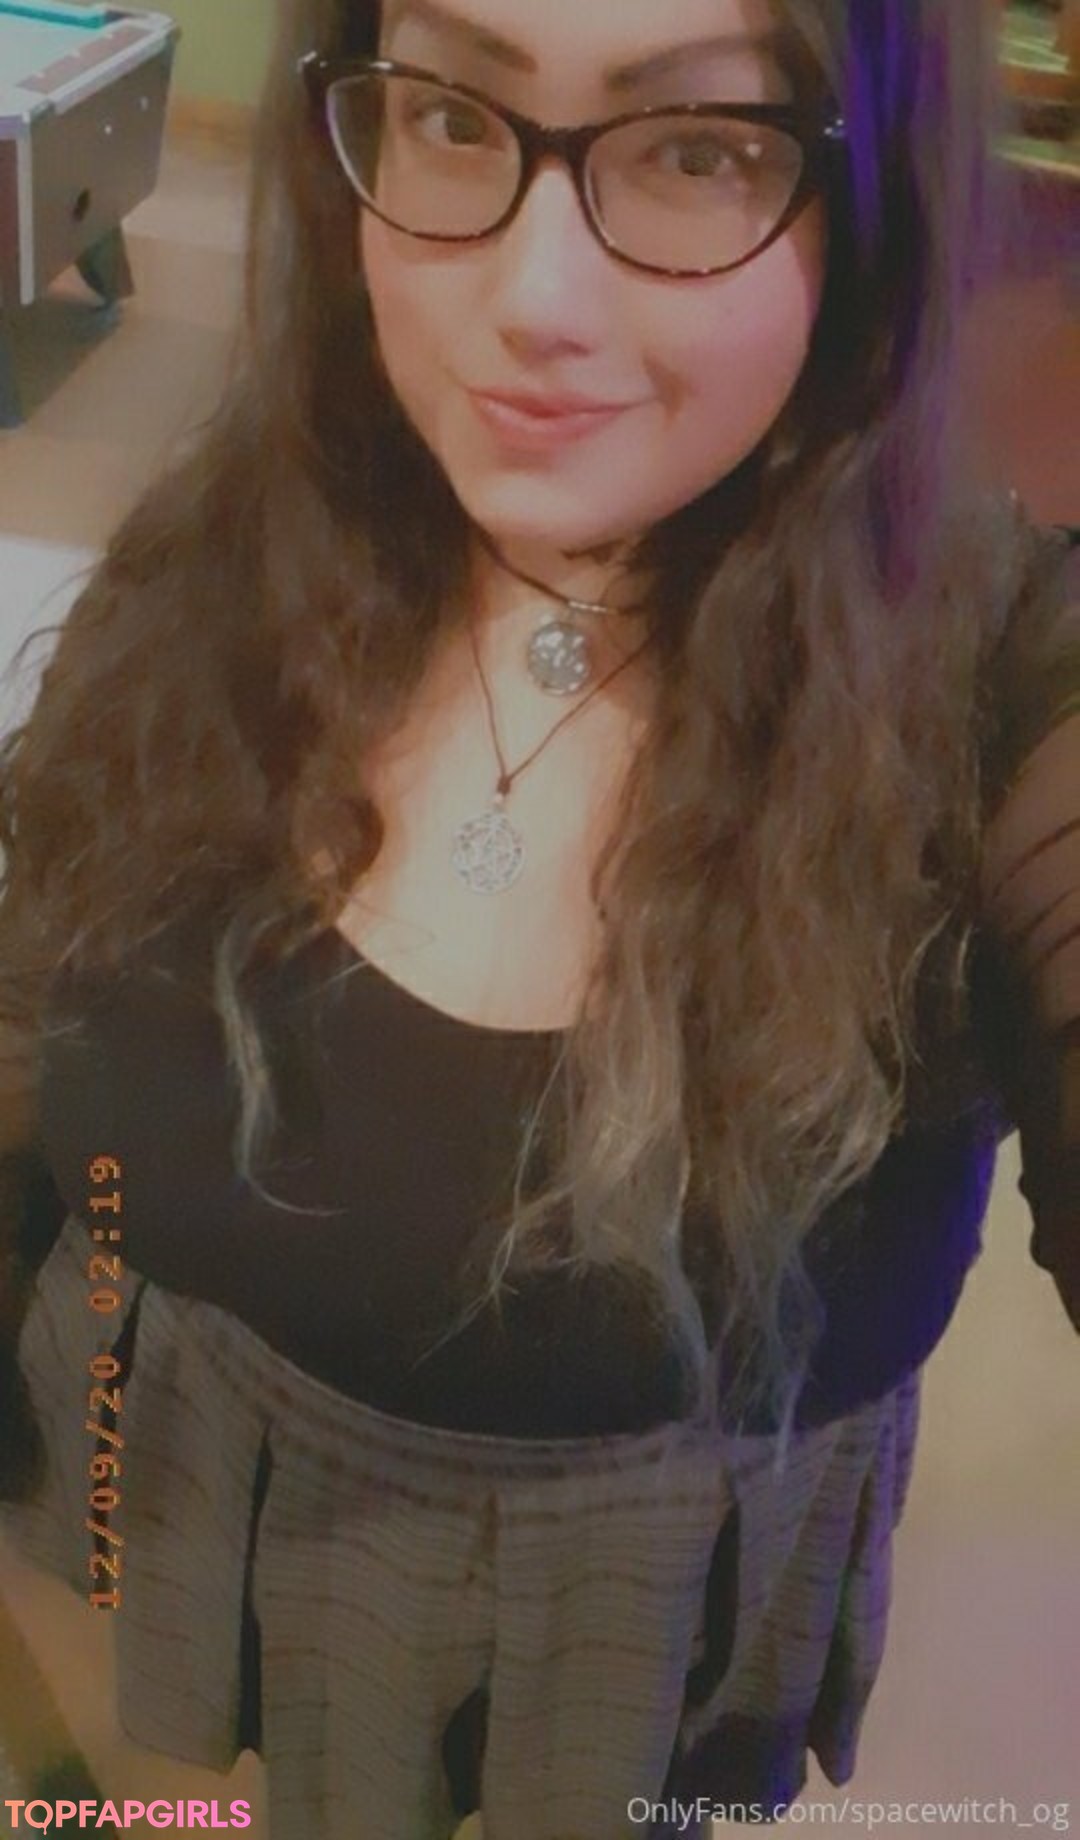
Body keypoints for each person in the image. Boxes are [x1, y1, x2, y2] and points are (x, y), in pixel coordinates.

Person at [0, 1, 1077, 1836]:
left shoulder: (994, 684)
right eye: (450, 115)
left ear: (872, 199)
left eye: (698, 151)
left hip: (622, 1670)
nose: (532, 303)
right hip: (144, 1538)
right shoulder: (231, 543)